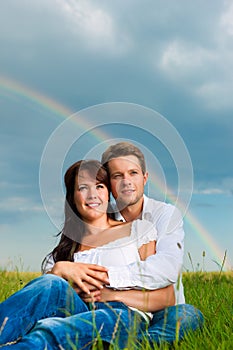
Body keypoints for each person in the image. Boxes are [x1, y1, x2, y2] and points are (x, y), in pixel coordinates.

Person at [0, 160, 175, 349]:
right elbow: (40, 304)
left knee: (50, 330)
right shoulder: (63, 253)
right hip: (76, 311)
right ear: (72, 197)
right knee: (51, 283)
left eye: (99, 186)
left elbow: (166, 298)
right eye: (83, 188)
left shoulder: (138, 231)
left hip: (123, 315)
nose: (92, 195)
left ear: (108, 193)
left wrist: (108, 296)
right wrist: (58, 270)